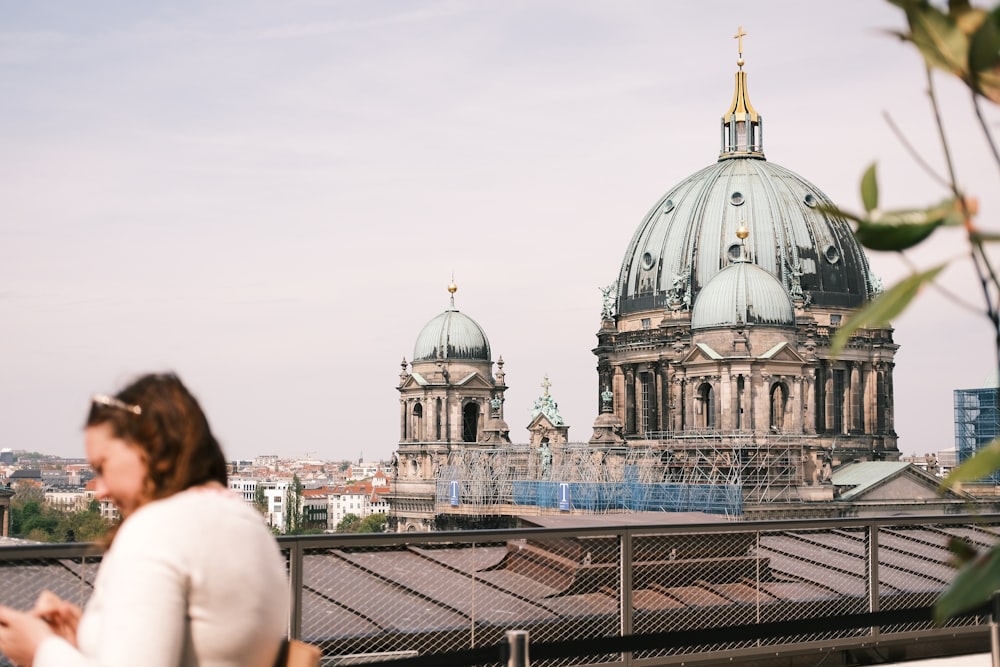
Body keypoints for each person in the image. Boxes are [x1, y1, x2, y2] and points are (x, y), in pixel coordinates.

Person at [0, 372, 290, 667]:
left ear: (148, 447)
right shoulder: (247, 522)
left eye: (102, 466)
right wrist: (87, 638)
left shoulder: (156, 530)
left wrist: (41, 651)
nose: (99, 490)